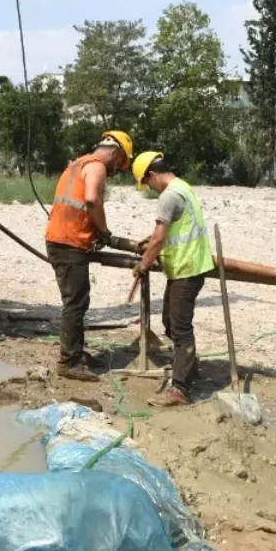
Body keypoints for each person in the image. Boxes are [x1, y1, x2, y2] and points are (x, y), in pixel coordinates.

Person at [45, 130, 137, 382]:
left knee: (78, 301)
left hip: (62, 239)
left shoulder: (77, 163)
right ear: (114, 152)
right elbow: (92, 200)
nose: (116, 169)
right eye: (119, 163)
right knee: (74, 303)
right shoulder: (96, 166)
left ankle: (75, 351)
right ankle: (68, 362)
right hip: (69, 243)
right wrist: (106, 233)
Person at [131, 151, 215, 406]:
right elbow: (170, 230)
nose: (149, 188)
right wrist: (153, 240)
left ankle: (180, 389)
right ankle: (189, 368)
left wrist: (144, 264)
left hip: (187, 268)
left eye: (147, 182)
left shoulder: (169, 195)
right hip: (187, 266)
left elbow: (159, 237)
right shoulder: (183, 187)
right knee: (170, 320)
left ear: (153, 174)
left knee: (180, 328)